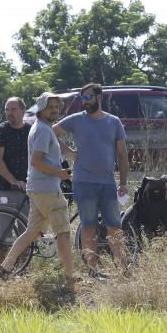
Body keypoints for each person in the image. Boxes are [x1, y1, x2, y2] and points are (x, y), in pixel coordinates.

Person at [0, 93, 75, 292]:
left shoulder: (40, 128)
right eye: (50, 107)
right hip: (48, 189)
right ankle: (71, 277)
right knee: (63, 232)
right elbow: (36, 161)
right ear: (40, 109)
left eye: (57, 106)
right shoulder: (44, 131)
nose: (55, 110)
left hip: (37, 189)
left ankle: (5, 267)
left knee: (32, 232)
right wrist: (60, 173)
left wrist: (70, 155)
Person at [54, 83, 130, 274]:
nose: (85, 102)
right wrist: (68, 152)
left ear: (99, 97)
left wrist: (123, 183)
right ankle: (92, 270)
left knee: (114, 226)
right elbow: (51, 132)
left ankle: (123, 268)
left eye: (88, 97)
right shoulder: (76, 120)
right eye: (82, 98)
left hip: (108, 183)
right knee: (89, 226)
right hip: (83, 182)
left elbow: (122, 154)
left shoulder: (114, 122)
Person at [0, 97, 31, 263]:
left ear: (22, 111)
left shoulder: (30, 130)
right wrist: (13, 181)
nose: (9, 113)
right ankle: (3, 267)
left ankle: (23, 267)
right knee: (2, 232)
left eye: (13, 109)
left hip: (27, 188)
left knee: (26, 230)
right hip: (5, 188)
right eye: (7, 109)